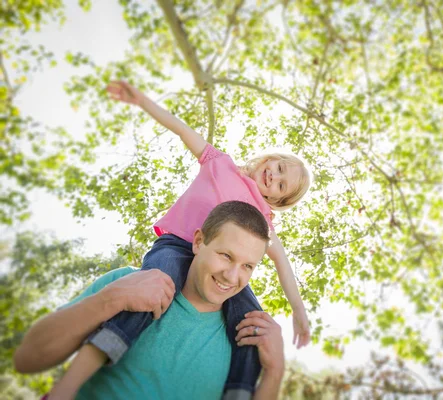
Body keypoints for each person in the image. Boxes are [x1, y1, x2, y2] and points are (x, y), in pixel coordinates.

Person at [45, 81, 311, 400]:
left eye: (281, 185)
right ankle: (67, 387)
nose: (275, 177)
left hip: (223, 264)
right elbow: (182, 130)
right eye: (279, 167)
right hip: (177, 248)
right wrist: (142, 100)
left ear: (277, 199)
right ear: (269, 159)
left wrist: (298, 310)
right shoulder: (220, 163)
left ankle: (238, 392)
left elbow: (282, 262)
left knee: (253, 326)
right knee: (147, 292)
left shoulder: (262, 218)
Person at [14, 201, 285, 400]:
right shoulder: (130, 283)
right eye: (226, 256)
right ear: (199, 242)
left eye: (247, 266)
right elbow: (26, 360)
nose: (232, 275)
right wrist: (111, 299)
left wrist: (274, 372)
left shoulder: (244, 335)